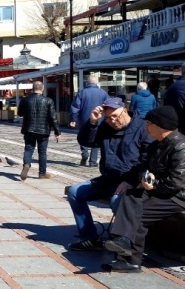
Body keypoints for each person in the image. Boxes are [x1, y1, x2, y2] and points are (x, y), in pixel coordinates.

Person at [103, 106, 185, 273]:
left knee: (137, 214)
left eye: (148, 123)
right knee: (130, 195)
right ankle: (125, 245)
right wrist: (145, 177)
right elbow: (143, 167)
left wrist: (154, 185)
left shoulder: (180, 147)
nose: (145, 127)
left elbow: (176, 182)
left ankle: (130, 259)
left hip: (177, 196)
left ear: (161, 126)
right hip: (160, 191)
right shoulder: (157, 145)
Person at [66, 97, 151, 251]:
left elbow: (148, 160)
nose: (112, 121)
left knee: (116, 201)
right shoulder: (106, 127)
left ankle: (125, 241)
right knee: (74, 192)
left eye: (115, 116)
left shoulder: (142, 128)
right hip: (108, 179)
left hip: (131, 182)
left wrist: (131, 181)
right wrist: (92, 122)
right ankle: (89, 237)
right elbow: (86, 141)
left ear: (125, 110)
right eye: (108, 118)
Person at [17, 81, 61, 180]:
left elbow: (19, 113)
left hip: (28, 129)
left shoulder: (25, 100)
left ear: (32, 89)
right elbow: (53, 117)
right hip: (43, 131)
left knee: (28, 149)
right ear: (42, 88)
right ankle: (42, 173)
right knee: (42, 152)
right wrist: (57, 132)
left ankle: (27, 165)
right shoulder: (48, 101)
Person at [70, 76, 109, 167]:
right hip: (99, 119)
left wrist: (73, 119)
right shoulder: (103, 93)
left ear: (87, 83)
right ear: (97, 83)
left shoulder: (82, 93)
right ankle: (93, 161)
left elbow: (75, 107)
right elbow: (108, 106)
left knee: (83, 135)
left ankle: (84, 153)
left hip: (83, 119)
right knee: (96, 138)